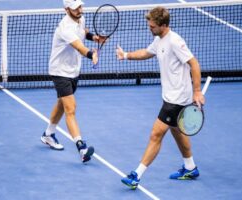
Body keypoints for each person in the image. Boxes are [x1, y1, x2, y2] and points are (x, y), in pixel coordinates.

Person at [116, 6, 205, 189]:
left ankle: (136, 175)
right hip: (171, 96)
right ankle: (190, 167)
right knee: (177, 131)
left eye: (152, 26)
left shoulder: (175, 41)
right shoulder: (159, 39)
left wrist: (197, 91)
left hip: (177, 99)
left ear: (163, 25)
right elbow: (146, 53)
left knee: (156, 134)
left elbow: (194, 64)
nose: (150, 28)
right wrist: (126, 55)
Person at [41, 0, 104, 163]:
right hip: (60, 71)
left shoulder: (80, 19)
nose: (79, 10)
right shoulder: (65, 28)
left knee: (62, 103)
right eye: (76, 8)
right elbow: (79, 46)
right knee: (71, 108)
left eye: (80, 6)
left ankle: (48, 134)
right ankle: (81, 147)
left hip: (73, 70)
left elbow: (83, 32)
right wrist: (91, 54)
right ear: (66, 9)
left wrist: (95, 38)